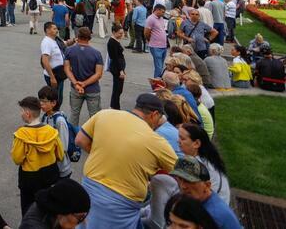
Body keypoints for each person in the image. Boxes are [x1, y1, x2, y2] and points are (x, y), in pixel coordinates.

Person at [75, 93, 178, 228]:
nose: (157, 124)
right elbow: (180, 170)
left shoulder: (105, 114)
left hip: (89, 188)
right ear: (154, 114)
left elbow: (80, 140)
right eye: (158, 119)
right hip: (120, 207)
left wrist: (104, 154)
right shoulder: (155, 140)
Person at [11, 96, 64, 215]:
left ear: (28, 113)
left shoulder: (21, 135)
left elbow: (17, 159)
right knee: (48, 208)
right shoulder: (51, 132)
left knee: (28, 209)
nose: (21, 114)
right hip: (50, 174)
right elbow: (60, 155)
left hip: (29, 178)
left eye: (22, 111)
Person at [169, 156, 241, 229]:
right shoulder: (201, 201)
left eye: (189, 181)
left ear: (207, 185)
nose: (183, 186)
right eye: (180, 179)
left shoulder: (212, 215)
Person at [178, 123, 229, 204]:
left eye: (182, 139)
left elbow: (189, 191)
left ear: (196, 144)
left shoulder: (197, 165)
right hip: (219, 202)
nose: (178, 141)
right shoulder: (207, 156)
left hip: (211, 208)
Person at [63, 27, 103, 127]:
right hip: (92, 89)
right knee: (95, 117)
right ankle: (93, 139)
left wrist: (75, 83)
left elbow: (67, 69)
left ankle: (71, 138)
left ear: (77, 37)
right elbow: (98, 74)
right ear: (89, 38)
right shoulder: (96, 54)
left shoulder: (69, 51)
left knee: (74, 114)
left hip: (76, 88)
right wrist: (84, 83)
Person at [17, 177, 90, 229]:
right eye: (80, 218)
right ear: (62, 211)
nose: (84, 222)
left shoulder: (50, 214)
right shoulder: (34, 225)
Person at [37, 86, 74, 177]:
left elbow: (63, 147)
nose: (41, 104)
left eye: (44, 102)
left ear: (53, 103)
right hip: (49, 164)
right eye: (40, 101)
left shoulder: (59, 121)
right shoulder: (45, 117)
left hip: (61, 168)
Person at [39, 22, 66, 111]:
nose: (56, 30)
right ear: (47, 30)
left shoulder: (54, 40)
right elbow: (45, 60)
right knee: (54, 100)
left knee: (58, 98)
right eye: (54, 29)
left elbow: (64, 44)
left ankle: (55, 114)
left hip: (59, 74)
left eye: (56, 28)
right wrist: (52, 77)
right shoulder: (47, 42)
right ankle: (53, 116)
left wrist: (73, 41)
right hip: (54, 75)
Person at [145, 3, 170, 78]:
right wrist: (150, 40)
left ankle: (158, 82)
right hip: (156, 46)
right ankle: (156, 84)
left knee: (161, 66)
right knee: (158, 67)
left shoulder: (161, 18)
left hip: (163, 45)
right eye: (162, 12)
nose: (163, 13)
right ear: (157, 10)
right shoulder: (151, 19)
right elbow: (146, 32)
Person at [107, 23, 127, 109]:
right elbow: (115, 58)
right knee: (117, 89)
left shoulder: (115, 41)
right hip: (117, 68)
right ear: (114, 32)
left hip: (118, 67)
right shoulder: (112, 42)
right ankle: (115, 106)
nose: (121, 35)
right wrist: (121, 70)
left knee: (118, 89)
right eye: (120, 33)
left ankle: (114, 105)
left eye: (122, 33)